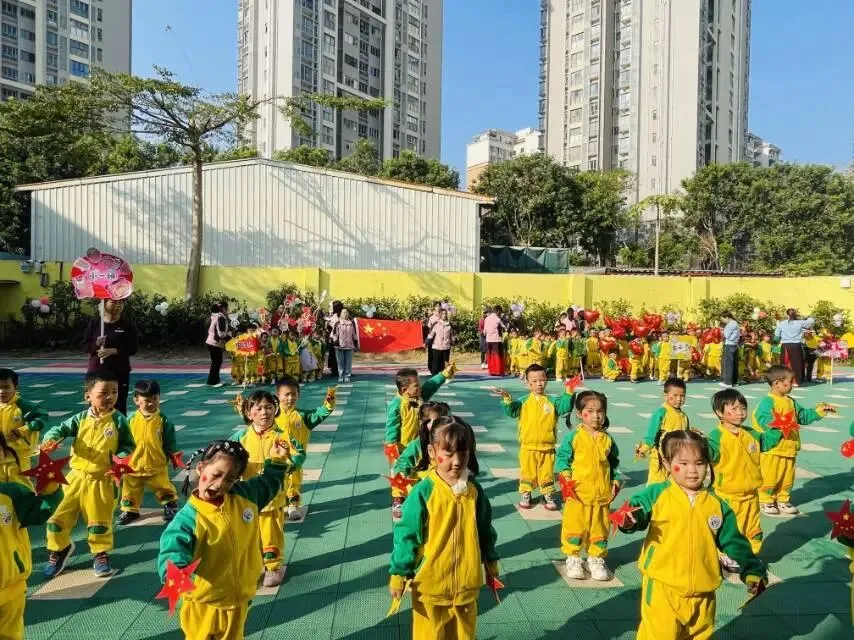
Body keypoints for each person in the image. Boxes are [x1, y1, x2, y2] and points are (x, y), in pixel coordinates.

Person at [619, 430, 767, 639]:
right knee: (658, 635)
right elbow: (637, 508)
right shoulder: (657, 494)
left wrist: (752, 570)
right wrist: (630, 519)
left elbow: (734, 542)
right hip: (663, 586)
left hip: (704, 590)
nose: (692, 471)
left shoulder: (716, 505)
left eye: (699, 463)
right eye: (683, 463)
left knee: (699, 635)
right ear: (667, 463)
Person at [158, 439, 290, 639]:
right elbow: (172, 549)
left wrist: (277, 461)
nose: (220, 484)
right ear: (201, 468)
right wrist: (175, 573)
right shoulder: (188, 519)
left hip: (239, 599)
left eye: (230, 479)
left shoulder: (245, 497)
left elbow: (268, 483)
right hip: (204, 603)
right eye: (216, 474)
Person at [388, 417, 499, 640]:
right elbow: (406, 535)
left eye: (463, 454)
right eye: (448, 454)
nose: (457, 461)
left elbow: (485, 529)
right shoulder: (424, 491)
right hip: (430, 586)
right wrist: (399, 572)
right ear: (431, 451)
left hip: (466, 585)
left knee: (464, 635)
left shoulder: (474, 491)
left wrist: (490, 562)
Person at [42, 371, 135, 579]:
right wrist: (51, 439)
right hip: (74, 479)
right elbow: (59, 429)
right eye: (103, 392)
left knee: (98, 522)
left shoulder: (119, 420)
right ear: (88, 396)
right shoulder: (80, 419)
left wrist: (120, 458)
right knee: (57, 517)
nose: (110, 397)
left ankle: (100, 554)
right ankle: (58, 550)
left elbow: (129, 445)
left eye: (114, 392)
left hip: (102, 480)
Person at [230, 391, 305, 588]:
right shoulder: (241, 437)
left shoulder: (282, 435)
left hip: (273, 497)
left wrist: (286, 464)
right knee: (248, 534)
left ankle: (273, 566)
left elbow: (299, 454)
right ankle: (254, 566)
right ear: (249, 413)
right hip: (247, 497)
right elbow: (226, 455)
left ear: (275, 409)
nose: (264, 412)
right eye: (259, 408)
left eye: (269, 407)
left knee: (271, 534)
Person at [706, 389, 782, 566]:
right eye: (733, 409)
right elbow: (708, 453)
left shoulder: (751, 433)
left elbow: (766, 442)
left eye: (743, 408)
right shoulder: (716, 436)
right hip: (728, 496)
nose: (740, 413)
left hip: (751, 495)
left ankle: (750, 554)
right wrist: (698, 444)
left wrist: (780, 428)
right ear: (719, 412)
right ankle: (727, 554)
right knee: (731, 529)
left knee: (753, 529)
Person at [0, 434, 64, 640]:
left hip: (10, 587)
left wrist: (50, 483)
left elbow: (41, 510)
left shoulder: (11, 494)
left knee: (10, 634)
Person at [556, 391, 620, 581]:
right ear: (579, 413)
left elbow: (613, 463)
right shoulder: (573, 437)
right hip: (577, 494)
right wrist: (566, 478)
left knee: (600, 529)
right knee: (575, 527)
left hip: (602, 496)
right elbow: (562, 460)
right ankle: (573, 558)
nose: (596, 416)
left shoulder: (608, 439)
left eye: (600, 411)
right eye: (590, 411)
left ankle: (595, 559)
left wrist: (614, 481)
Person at [753, 365, 831, 516]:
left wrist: (818, 412)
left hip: (789, 448)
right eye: (789, 382)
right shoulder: (768, 401)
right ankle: (765, 499)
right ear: (777, 383)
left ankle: (783, 499)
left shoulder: (791, 402)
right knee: (770, 476)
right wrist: (778, 425)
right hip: (773, 449)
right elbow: (761, 418)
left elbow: (803, 416)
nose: (792, 385)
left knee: (787, 477)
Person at [495, 363, 574, 511]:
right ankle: (526, 493)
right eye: (535, 381)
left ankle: (547, 494)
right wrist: (507, 399)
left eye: (542, 380)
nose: (539, 384)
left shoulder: (552, 401)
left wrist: (569, 391)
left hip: (547, 448)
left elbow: (565, 407)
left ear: (546, 381)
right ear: (527, 383)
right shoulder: (523, 401)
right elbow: (512, 411)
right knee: (527, 472)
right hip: (527, 447)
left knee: (547, 473)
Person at [386, 364, 456, 518]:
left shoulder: (420, 396)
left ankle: (421, 496)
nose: (420, 387)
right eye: (416, 385)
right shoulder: (397, 404)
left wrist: (444, 374)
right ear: (404, 390)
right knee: (399, 473)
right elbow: (391, 425)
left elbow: (431, 385)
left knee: (419, 470)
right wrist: (391, 444)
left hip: (421, 441)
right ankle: (398, 500)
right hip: (402, 447)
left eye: (419, 384)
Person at [116, 380, 182, 525]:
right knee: (130, 489)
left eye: (155, 399)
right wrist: (120, 457)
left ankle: (170, 505)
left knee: (163, 487)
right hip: (133, 465)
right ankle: (130, 510)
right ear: (136, 400)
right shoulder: (130, 420)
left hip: (156, 464)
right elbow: (122, 440)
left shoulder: (163, 420)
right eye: (146, 400)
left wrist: (174, 455)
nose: (151, 403)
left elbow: (170, 440)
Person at [274, 377, 335, 519]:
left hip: (295, 459)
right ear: (278, 395)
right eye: (286, 394)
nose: (290, 398)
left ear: (298, 395)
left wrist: (328, 404)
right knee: (276, 482)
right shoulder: (272, 414)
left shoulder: (302, 416)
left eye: (294, 394)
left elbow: (319, 414)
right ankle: (277, 504)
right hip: (275, 457)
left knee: (293, 482)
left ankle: (293, 505)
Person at [390, 402, 451, 512]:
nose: (441, 425)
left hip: (443, 488)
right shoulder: (418, 444)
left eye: (445, 421)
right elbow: (404, 460)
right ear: (423, 423)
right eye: (436, 421)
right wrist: (402, 471)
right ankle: (398, 500)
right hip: (422, 489)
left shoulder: (450, 442)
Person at [84, 298, 139, 415]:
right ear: (104, 303)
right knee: (96, 406)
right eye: (113, 302)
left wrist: (114, 351)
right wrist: (96, 344)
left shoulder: (127, 324)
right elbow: (84, 345)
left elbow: (133, 348)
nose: (118, 305)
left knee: (118, 406)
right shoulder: (95, 323)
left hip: (119, 371)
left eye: (121, 302)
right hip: (97, 371)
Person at [636, 377, 690, 485]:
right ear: (665, 396)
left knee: (674, 484)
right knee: (656, 484)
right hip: (659, 457)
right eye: (675, 395)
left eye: (682, 396)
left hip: (676, 458)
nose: (679, 399)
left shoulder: (684, 416)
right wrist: (645, 447)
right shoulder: (662, 413)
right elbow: (652, 433)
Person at [0, 367, 48, 485]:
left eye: (6, 387)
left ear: (15, 387)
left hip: (19, 456)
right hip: (1, 455)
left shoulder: (23, 406)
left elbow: (42, 418)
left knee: (21, 486)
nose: (1, 391)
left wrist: (23, 430)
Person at [775, 308, 815, 386]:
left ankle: (784, 381)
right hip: (796, 346)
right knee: (797, 364)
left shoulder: (782, 323)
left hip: (785, 345)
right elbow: (811, 321)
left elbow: (777, 336)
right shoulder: (800, 322)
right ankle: (796, 382)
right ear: (795, 314)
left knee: (785, 364)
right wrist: (808, 316)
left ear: (787, 314)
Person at [205, 301, 230, 387]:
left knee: (216, 362)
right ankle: (213, 381)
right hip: (215, 343)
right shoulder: (221, 318)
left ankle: (214, 380)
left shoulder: (214, 316)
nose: (228, 311)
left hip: (211, 342)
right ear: (223, 309)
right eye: (227, 309)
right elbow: (221, 334)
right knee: (216, 362)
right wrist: (230, 338)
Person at [331, 308, 358, 383]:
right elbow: (334, 334)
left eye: (346, 312)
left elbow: (354, 334)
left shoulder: (352, 323)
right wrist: (335, 341)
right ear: (341, 314)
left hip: (349, 345)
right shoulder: (337, 323)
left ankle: (347, 376)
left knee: (348, 362)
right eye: (343, 312)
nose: (345, 314)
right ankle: (340, 376)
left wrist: (355, 343)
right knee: (340, 362)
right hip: (339, 345)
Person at [427, 308, 453, 375]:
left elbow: (452, 335)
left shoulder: (449, 325)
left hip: (446, 347)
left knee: (445, 364)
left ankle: (444, 376)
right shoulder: (436, 324)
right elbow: (431, 334)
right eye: (443, 314)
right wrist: (427, 342)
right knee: (436, 364)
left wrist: (453, 341)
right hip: (437, 347)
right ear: (440, 315)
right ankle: (434, 376)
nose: (445, 315)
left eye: (445, 314)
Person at [483, 305, 507, 376]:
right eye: (500, 312)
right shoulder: (498, 319)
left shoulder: (486, 318)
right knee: (497, 355)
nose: (501, 313)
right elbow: (504, 328)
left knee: (490, 355)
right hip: (496, 340)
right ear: (498, 311)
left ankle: (492, 371)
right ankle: (498, 371)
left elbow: (484, 331)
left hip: (488, 340)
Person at [719, 311, 741, 388]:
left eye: (723, 319)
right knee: (734, 364)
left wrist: (723, 330)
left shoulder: (731, 324)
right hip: (734, 345)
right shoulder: (736, 323)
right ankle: (735, 382)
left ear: (727, 317)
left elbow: (726, 335)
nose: (723, 321)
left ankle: (728, 382)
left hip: (729, 345)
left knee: (728, 364)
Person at [326, 300, 344, 378]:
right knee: (333, 354)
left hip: (341, 338)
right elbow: (329, 328)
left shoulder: (343, 316)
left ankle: (341, 370)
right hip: (334, 338)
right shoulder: (333, 316)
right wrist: (327, 324)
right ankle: (334, 370)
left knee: (341, 355)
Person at [425, 302, 442, 371]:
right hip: (432, 339)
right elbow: (428, 329)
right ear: (434, 307)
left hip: (441, 339)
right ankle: (431, 369)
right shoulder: (431, 317)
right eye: (437, 306)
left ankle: (440, 369)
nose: (438, 307)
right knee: (431, 354)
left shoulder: (443, 316)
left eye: (439, 306)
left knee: (440, 355)